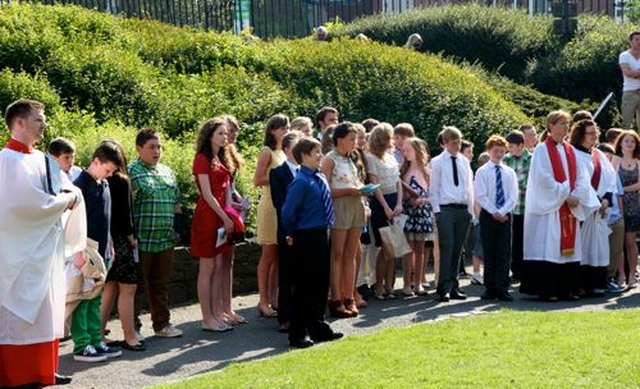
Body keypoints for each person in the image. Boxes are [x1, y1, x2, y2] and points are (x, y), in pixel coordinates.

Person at [0, 99, 78, 387]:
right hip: (19, 251)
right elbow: (22, 205)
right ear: (19, 122)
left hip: (45, 248)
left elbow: (57, 189)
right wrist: (66, 200)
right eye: (38, 119)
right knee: (19, 312)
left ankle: (45, 369)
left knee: (47, 310)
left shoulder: (42, 158)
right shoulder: (6, 160)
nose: (44, 124)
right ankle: (18, 374)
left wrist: (68, 193)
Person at [521, 110, 599, 301]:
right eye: (562, 123)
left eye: (567, 123)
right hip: (551, 208)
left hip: (569, 205)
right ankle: (548, 290)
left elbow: (581, 176)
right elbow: (543, 178)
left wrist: (576, 194)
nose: (566, 127)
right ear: (551, 126)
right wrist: (565, 194)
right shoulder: (541, 150)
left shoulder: (570, 149)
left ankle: (568, 289)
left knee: (568, 249)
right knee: (550, 245)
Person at [281, 137, 343, 348]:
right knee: (304, 286)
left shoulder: (319, 178)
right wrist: (291, 232)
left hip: (320, 234)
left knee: (319, 284)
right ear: (304, 155)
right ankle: (298, 332)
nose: (320, 156)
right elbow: (288, 212)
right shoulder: (300, 182)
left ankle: (318, 326)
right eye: (316, 152)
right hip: (305, 236)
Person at [71, 141, 124, 362]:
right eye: (107, 169)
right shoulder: (79, 186)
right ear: (96, 161)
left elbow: (106, 218)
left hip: (102, 251)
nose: (109, 175)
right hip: (85, 251)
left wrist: (110, 242)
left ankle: (96, 339)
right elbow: (73, 224)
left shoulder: (103, 184)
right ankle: (81, 345)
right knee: (83, 299)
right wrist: (79, 253)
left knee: (95, 298)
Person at [130, 127, 184, 340]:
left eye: (159, 146)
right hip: (142, 240)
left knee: (160, 284)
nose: (157, 151)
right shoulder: (132, 171)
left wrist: (179, 229)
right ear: (139, 148)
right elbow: (127, 206)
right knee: (138, 285)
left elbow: (177, 202)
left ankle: (162, 325)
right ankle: (132, 326)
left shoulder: (167, 171)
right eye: (152, 147)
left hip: (165, 239)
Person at [191, 118, 237, 333]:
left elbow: (227, 189)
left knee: (218, 266)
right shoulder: (202, 158)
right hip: (208, 216)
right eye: (220, 133)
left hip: (220, 216)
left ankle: (217, 313)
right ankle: (207, 318)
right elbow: (207, 193)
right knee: (207, 267)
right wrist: (224, 216)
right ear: (210, 135)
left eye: (226, 133)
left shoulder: (222, 158)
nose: (224, 137)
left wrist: (230, 214)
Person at [100, 140, 145, 352]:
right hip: (121, 241)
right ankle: (130, 336)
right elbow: (126, 216)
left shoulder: (99, 179)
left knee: (109, 288)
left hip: (104, 241)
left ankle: (98, 334)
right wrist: (131, 238)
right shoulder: (122, 180)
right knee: (128, 288)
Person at [321, 122, 366, 317]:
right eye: (351, 139)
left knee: (351, 252)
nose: (354, 143)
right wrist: (350, 190)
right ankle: (336, 298)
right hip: (339, 206)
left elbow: (356, 181)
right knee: (337, 253)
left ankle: (349, 295)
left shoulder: (352, 158)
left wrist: (362, 190)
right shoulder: (330, 159)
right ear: (339, 139)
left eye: (355, 139)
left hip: (355, 205)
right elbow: (325, 190)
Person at [570, 119, 616, 297]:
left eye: (596, 132)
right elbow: (579, 181)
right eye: (591, 132)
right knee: (583, 247)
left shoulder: (599, 154)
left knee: (599, 247)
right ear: (581, 134)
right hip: (584, 208)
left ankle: (598, 283)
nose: (595, 135)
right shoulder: (573, 153)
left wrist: (607, 198)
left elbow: (610, 177)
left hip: (601, 209)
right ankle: (581, 285)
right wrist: (596, 200)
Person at [430, 126, 474, 302]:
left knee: (458, 249)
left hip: (463, 209)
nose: (457, 145)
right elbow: (434, 188)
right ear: (446, 143)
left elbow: (469, 186)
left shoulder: (464, 161)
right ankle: (443, 287)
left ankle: (454, 285)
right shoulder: (438, 162)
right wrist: (437, 211)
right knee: (447, 248)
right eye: (454, 142)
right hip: (446, 208)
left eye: (459, 142)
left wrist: (470, 210)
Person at [474, 135, 519, 301]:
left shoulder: (509, 172)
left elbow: (513, 196)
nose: (499, 154)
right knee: (489, 251)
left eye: (501, 151)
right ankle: (490, 287)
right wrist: (494, 211)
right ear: (489, 151)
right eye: (496, 151)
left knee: (504, 252)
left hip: (505, 215)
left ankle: (502, 287)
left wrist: (503, 211)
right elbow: (481, 195)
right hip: (488, 213)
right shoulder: (482, 171)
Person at [254, 114, 289, 317]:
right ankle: (263, 300)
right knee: (268, 255)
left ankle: (274, 297)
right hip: (269, 206)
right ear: (272, 130)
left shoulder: (284, 152)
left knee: (278, 256)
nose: (285, 130)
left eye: (287, 127)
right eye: (281, 127)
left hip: (283, 206)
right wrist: (279, 179)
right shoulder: (266, 151)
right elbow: (257, 179)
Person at [365, 123, 403, 299]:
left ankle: (390, 285)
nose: (392, 140)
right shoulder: (370, 157)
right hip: (380, 204)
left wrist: (399, 204)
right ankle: (378, 285)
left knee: (394, 247)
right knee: (384, 246)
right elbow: (375, 184)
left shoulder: (391, 156)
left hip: (395, 201)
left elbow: (398, 181)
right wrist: (386, 207)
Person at [270, 131, 301, 333]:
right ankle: (285, 317)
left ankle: (302, 313)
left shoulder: (307, 172)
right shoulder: (278, 173)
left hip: (307, 229)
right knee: (287, 274)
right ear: (288, 149)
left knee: (303, 274)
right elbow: (279, 203)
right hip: (288, 228)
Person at [400, 137, 434, 296]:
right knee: (407, 249)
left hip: (422, 212)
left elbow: (434, 194)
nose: (405, 153)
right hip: (408, 212)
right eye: (404, 150)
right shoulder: (403, 170)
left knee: (419, 249)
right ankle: (407, 283)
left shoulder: (427, 172)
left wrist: (422, 200)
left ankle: (418, 282)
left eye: (408, 150)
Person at [611, 130, 640, 289]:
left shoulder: (638, 162)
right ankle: (620, 274)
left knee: (630, 242)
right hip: (618, 204)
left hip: (634, 206)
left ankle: (632, 275)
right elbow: (612, 182)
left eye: (632, 141)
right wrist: (624, 191)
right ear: (620, 143)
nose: (629, 144)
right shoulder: (615, 160)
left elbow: (639, 184)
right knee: (618, 242)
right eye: (626, 141)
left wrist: (623, 189)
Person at [596, 142, 626, 292]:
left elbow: (619, 196)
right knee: (601, 250)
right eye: (605, 156)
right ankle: (600, 279)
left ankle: (610, 278)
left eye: (610, 157)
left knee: (616, 249)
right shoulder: (595, 173)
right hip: (601, 218)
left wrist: (620, 215)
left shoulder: (613, 173)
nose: (607, 160)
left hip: (616, 217)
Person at [503, 130, 532, 283]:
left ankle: (522, 270)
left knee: (523, 241)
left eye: (512, 146)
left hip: (526, 207)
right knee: (510, 241)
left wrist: (514, 186)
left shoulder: (531, 160)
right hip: (509, 208)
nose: (509, 149)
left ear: (521, 145)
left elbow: (529, 183)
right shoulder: (506, 160)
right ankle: (512, 270)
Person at [619, 31, 640, 129]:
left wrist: (635, 73)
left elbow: (632, 73)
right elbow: (627, 73)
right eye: (636, 39)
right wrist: (633, 74)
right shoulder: (624, 55)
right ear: (631, 42)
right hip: (630, 92)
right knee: (626, 123)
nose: (639, 42)